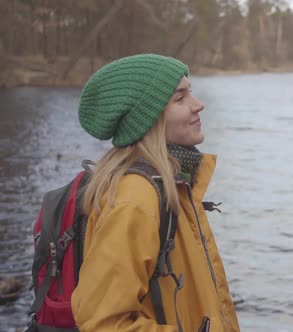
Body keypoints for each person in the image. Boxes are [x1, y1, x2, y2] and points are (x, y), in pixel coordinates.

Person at [70, 54, 240, 332]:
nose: (198, 105)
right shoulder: (136, 200)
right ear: (147, 119)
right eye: (180, 98)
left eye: (191, 93)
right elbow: (103, 322)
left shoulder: (172, 183)